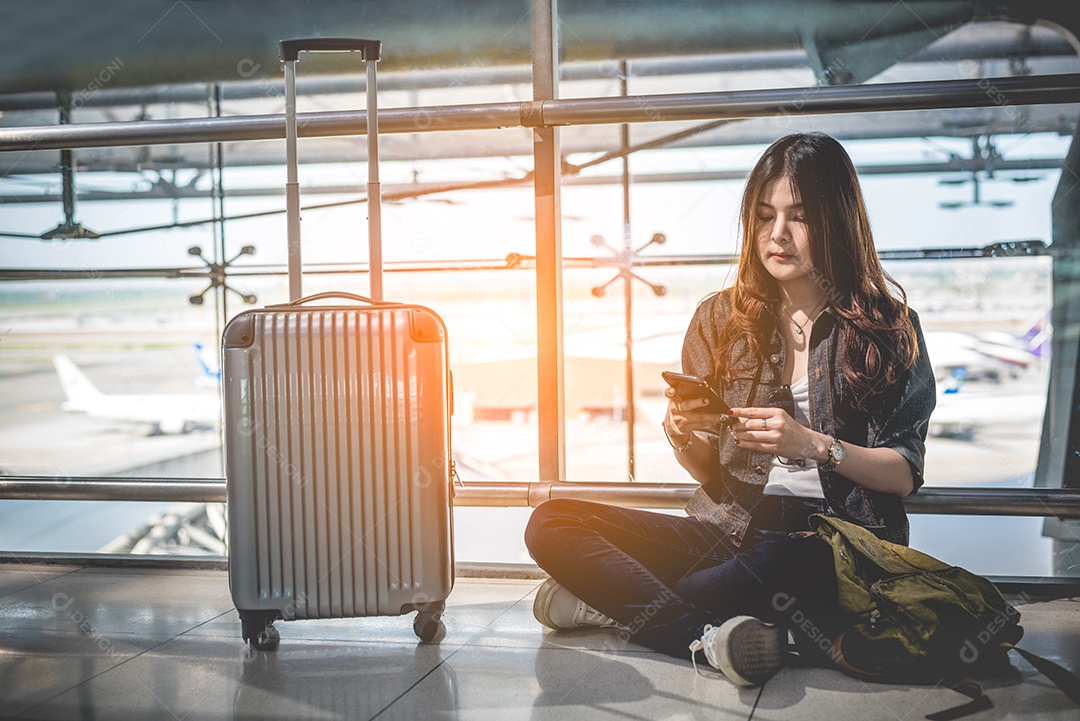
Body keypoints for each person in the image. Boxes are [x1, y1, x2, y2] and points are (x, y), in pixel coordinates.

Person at [524, 132, 937, 686]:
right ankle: (710, 633)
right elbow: (711, 473)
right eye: (765, 215)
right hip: (729, 530)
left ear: (837, 221)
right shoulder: (720, 320)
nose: (778, 234)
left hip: (834, 541)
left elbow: (904, 472)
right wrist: (684, 431)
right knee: (550, 523)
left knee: (788, 563)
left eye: (800, 216)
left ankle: (626, 608)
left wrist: (814, 446)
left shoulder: (888, 329)